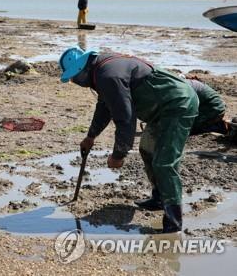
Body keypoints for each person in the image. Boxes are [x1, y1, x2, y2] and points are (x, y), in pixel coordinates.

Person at [59, 47, 199, 233]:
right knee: (147, 151)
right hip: (160, 108)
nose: (75, 82)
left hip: (176, 105)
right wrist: (90, 136)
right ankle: (159, 199)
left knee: (164, 163)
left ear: (82, 71)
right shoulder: (101, 69)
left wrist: (118, 155)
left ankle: (173, 224)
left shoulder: (107, 76)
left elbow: (125, 117)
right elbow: (105, 106)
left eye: (74, 77)